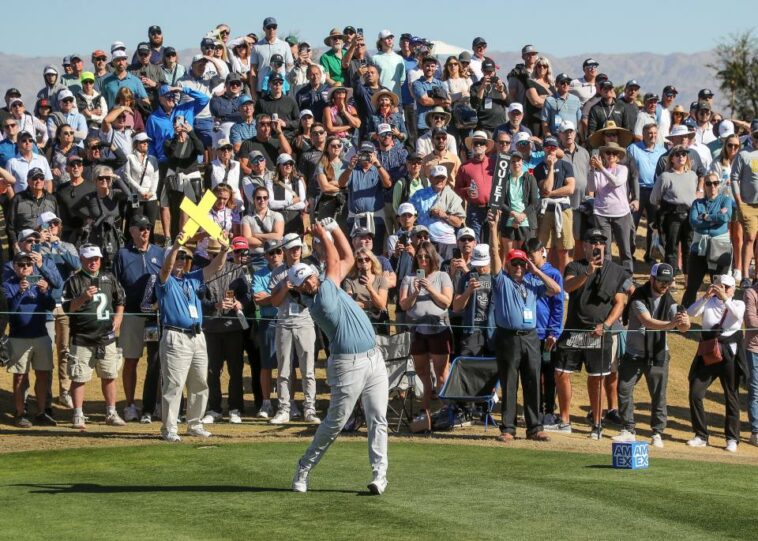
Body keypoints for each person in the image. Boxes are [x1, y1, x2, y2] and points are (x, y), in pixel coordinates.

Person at [291, 220, 389, 495]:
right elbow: (334, 258)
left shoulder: (326, 284)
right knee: (335, 422)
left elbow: (345, 255)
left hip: (373, 359)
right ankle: (304, 467)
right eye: (303, 281)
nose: (310, 280)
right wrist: (323, 232)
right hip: (348, 365)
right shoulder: (321, 299)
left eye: (309, 275)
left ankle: (380, 475)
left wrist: (334, 227)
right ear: (299, 289)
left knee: (378, 417)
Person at [155, 232, 231, 442]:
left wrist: (224, 249)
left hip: (197, 336)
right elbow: (166, 269)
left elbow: (215, 267)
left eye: (185, 257)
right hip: (175, 335)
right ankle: (169, 428)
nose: (181, 261)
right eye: (178, 257)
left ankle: (194, 424)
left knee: (199, 382)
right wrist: (177, 244)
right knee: (174, 384)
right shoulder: (165, 280)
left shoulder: (193, 278)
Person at [489, 228, 561, 443]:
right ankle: (508, 428)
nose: (518, 268)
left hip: (530, 336)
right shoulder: (502, 281)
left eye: (522, 264)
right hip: (508, 337)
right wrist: (494, 228)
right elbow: (494, 252)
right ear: (508, 266)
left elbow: (556, 290)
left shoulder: (533, 282)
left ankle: (534, 428)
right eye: (515, 264)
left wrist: (536, 271)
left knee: (532, 382)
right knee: (510, 383)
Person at [556, 228, 629, 439]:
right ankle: (564, 421)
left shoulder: (615, 271)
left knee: (596, 379)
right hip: (573, 331)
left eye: (601, 242)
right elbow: (567, 287)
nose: (597, 245)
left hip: (598, 333)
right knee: (562, 374)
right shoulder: (575, 266)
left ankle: (597, 424)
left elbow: (620, 303)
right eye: (593, 242)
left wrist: (606, 325)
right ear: (585, 245)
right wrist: (588, 271)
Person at [613, 263, 689, 448]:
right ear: (652, 279)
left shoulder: (670, 301)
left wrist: (684, 322)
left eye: (668, 281)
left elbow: (683, 328)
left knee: (658, 395)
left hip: (658, 354)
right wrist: (672, 325)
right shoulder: (638, 297)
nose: (665, 285)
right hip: (633, 354)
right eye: (661, 281)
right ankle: (628, 429)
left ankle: (657, 432)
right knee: (624, 389)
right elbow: (648, 322)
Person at [62, 244, 126, 429]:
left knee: (109, 374)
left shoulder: (108, 277)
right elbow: (67, 308)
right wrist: (83, 298)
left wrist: (119, 316)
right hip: (83, 336)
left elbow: (120, 298)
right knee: (79, 377)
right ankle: (78, 414)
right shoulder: (74, 281)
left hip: (106, 336)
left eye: (96, 258)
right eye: (89, 259)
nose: (93, 262)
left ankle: (111, 412)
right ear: (81, 259)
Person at [112, 215, 165, 423]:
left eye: (148, 227)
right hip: (132, 314)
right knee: (131, 360)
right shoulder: (122, 254)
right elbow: (115, 285)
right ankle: (130, 405)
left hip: (154, 317)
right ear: (132, 230)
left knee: (156, 362)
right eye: (141, 227)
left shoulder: (159, 253)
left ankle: (158, 403)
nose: (145, 231)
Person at [686, 275, 746, 453]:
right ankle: (701, 435)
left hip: (729, 355)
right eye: (720, 286)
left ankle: (732, 438)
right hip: (709, 354)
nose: (722, 289)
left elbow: (737, 316)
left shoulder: (738, 304)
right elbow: (691, 313)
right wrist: (705, 296)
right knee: (695, 392)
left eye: (726, 287)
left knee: (731, 396)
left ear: (733, 289)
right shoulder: (709, 302)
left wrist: (725, 298)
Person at [200, 238, 254, 425]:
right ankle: (213, 408)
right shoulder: (203, 274)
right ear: (208, 255)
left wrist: (241, 303)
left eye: (219, 254)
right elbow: (200, 301)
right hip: (211, 329)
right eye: (213, 254)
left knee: (236, 369)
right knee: (212, 370)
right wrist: (215, 304)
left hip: (233, 327)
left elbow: (247, 295)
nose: (216, 257)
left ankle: (235, 407)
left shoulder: (237, 271)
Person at [398, 240, 453, 423]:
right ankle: (425, 409)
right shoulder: (409, 278)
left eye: (426, 256)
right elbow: (404, 305)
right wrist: (415, 292)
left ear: (432, 257)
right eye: (419, 256)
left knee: (441, 372)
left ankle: (446, 409)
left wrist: (429, 289)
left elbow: (446, 302)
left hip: (439, 329)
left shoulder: (442, 276)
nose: (422, 260)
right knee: (422, 372)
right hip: (417, 331)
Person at [268, 233, 320, 424]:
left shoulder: (310, 268)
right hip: (283, 321)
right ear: (285, 251)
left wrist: (302, 288)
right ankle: (284, 409)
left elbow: (316, 293)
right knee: (283, 369)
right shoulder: (278, 272)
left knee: (308, 369)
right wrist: (285, 287)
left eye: (298, 248)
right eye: (291, 249)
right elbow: (273, 302)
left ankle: (310, 409)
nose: (295, 252)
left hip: (305, 321)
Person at [3, 251, 56, 428]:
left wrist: (45, 291)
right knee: (20, 376)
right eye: (21, 265)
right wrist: (20, 292)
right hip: (19, 337)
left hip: (40, 335)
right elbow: (9, 311)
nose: (25, 268)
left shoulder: (38, 282)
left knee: (43, 374)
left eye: (28, 265)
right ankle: (20, 413)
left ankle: (41, 412)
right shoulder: (7, 285)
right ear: (15, 267)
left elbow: (50, 306)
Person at [682, 172, 733, 307]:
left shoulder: (725, 200)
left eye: (715, 183)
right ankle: (682, 318)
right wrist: (715, 218)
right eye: (709, 183)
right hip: (699, 248)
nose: (712, 187)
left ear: (719, 184)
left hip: (719, 249)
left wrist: (705, 217)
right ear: (704, 186)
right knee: (692, 287)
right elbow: (693, 222)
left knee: (718, 288)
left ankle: (717, 320)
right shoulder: (697, 202)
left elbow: (726, 217)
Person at [650, 145, 699, 276]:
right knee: (671, 248)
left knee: (689, 248)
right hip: (672, 216)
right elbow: (654, 198)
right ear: (671, 159)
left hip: (689, 216)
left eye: (684, 154)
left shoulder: (693, 175)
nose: (681, 157)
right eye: (677, 154)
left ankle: (688, 279)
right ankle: (670, 279)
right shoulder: (665, 176)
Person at [589, 142, 634, 274]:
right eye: (608, 153)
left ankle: (627, 279)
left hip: (621, 213)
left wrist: (601, 168)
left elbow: (616, 182)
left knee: (625, 249)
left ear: (618, 156)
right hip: (601, 213)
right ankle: (606, 278)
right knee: (605, 250)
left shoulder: (622, 169)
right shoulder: (598, 170)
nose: (611, 155)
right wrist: (592, 170)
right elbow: (591, 188)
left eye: (614, 153)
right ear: (603, 155)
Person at [252, 239, 284, 418]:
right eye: (271, 253)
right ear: (265, 256)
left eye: (278, 251)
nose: (275, 256)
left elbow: (266, 297)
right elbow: (258, 298)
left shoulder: (289, 271)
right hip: (268, 320)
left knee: (286, 365)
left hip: (286, 320)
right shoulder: (259, 274)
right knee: (266, 365)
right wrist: (281, 294)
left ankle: (286, 403)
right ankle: (266, 403)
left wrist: (270, 295)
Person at [534, 136, 576, 274]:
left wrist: (549, 194)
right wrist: (551, 168)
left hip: (562, 210)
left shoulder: (566, 165)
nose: (551, 150)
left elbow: (570, 189)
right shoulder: (539, 168)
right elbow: (545, 188)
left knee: (564, 250)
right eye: (548, 147)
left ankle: (565, 283)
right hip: (546, 211)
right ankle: (545, 280)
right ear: (544, 149)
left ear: (557, 149)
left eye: (553, 147)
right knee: (544, 249)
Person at [628, 123, 667, 263]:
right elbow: (627, 170)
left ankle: (650, 255)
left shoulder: (662, 151)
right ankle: (629, 254)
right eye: (650, 133)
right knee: (632, 224)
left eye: (655, 133)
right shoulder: (633, 148)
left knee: (653, 225)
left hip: (655, 190)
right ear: (643, 134)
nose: (653, 136)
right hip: (637, 190)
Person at [410, 165, 465, 259]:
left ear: (446, 179)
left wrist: (445, 216)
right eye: (437, 177)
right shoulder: (419, 194)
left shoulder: (452, 196)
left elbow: (459, 223)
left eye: (442, 178)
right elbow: (410, 214)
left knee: (447, 270)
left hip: (447, 243)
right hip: (426, 242)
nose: (440, 180)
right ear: (430, 178)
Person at [455, 131, 495, 242]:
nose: (478, 145)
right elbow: (457, 189)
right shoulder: (465, 167)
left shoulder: (494, 163)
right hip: (474, 209)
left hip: (492, 208)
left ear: (486, 146)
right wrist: (466, 191)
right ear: (472, 146)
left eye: (481, 143)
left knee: (491, 241)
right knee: (474, 241)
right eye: (475, 143)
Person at [731, 127, 758, 288]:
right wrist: (739, 200)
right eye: (756, 136)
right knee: (749, 238)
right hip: (747, 204)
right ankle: (746, 276)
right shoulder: (743, 154)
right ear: (751, 137)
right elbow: (734, 178)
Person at [498, 150, 539, 255]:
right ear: (509, 163)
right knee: (508, 255)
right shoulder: (503, 179)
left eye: (518, 160)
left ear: (522, 162)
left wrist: (522, 215)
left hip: (525, 221)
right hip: (508, 219)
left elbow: (534, 201)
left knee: (525, 254)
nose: (516, 163)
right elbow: (499, 200)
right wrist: (513, 213)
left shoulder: (530, 178)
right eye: (513, 161)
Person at [342, 247, 390, 335]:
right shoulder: (349, 281)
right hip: (358, 321)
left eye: (367, 259)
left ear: (372, 261)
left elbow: (382, 304)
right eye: (360, 260)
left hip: (377, 322)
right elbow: (348, 304)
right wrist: (371, 303)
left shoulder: (381, 280)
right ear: (356, 263)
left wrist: (370, 288)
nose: (364, 262)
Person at [122, 132, 160, 227]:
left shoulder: (153, 159)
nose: (146, 144)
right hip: (135, 196)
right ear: (136, 144)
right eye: (142, 142)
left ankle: (150, 242)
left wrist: (152, 192)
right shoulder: (130, 158)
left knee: (151, 224)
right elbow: (127, 176)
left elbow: (156, 177)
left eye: (147, 142)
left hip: (151, 196)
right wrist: (141, 190)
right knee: (136, 223)